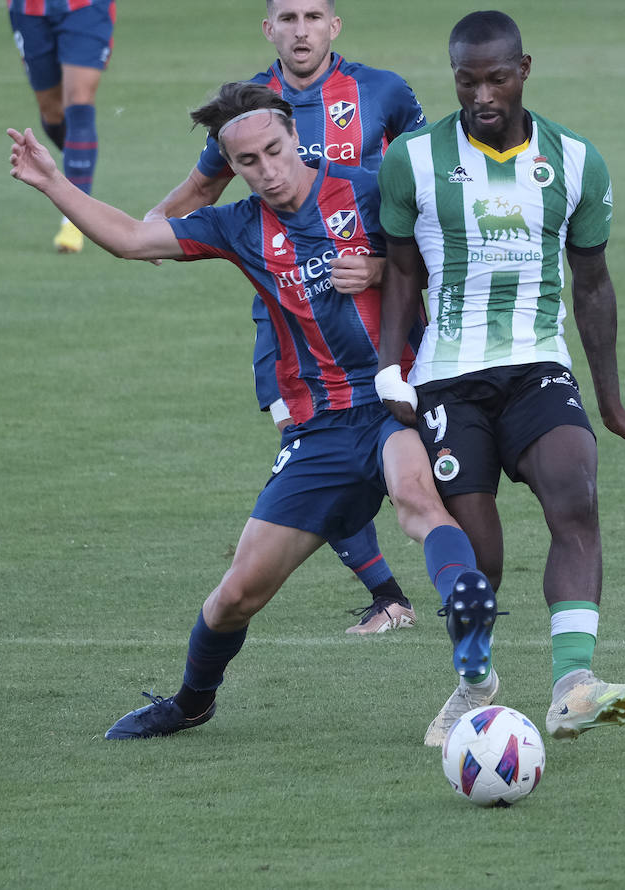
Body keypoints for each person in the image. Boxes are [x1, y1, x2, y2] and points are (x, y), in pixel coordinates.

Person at [8, 80, 498, 740]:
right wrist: (51, 184)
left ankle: (468, 619)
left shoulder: (368, 189)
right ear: (229, 165)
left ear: (297, 137)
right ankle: (192, 701)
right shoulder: (235, 225)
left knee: (417, 498)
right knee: (238, 594)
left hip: (394, 399)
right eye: (248, 162)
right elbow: (130, 238)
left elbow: (456, 256)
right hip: (319, 428)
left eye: (274, 151)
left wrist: (381, 269)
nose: (267, 171)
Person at [374, 10, 625, 747]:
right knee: (482, 562)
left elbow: (593, 284)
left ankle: (573, 684)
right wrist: (389, 369)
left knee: (576, 494)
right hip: (449, 379)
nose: (482, 94)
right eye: (467, 80)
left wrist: (610, 401)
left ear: (524, 70)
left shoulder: (574, 160)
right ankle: (474, 680)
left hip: (539, 365)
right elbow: (402, 273)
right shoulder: (413, 160)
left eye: (496, 78)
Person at [145, 0, 428, 634]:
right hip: (286, 310)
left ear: (335, 23)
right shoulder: (247, 109)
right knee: (307, 442)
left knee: (418, 441)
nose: (301, 31)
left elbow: (424, 185)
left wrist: (383, 268)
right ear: (268, 27)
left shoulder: (383, 92)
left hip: (381, 307)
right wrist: (145, 233)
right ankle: (388, 594)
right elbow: (203, 187)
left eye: (313, 15)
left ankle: (452, 579)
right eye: (288, 18)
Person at [8, 0, 116, 253]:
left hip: (86, 7)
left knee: (79, 104)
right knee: (52, 111)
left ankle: (74, 221)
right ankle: (79, 163)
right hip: (29, 9)